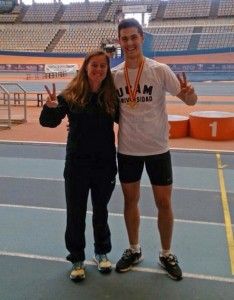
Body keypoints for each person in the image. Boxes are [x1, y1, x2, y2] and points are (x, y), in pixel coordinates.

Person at [112, 18, 197, 281]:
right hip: (127, 149)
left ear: (142, 38)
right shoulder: (115, 76)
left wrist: (188, 93)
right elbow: (111, 111)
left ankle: (166, 253)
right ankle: (134, 249)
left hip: (158, 148)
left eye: (133, 37)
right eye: (124, 38)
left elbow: (190, 101)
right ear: (119, 42)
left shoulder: (160, 70)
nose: (129, 43)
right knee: (130, 201)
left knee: (163, 203)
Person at [39, 50, 119, 282]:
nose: (98, 70)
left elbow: (127, 121)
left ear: (107, 70)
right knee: (76, 213)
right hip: (77, 165)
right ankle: (76, 257)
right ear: (86, 67)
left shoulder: (111, 96)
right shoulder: (71, 95)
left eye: (103, 66)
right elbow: (48, 123)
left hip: (104, 164)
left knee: (101, 211)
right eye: (94, 65)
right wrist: (51, 107)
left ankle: (101, 251)